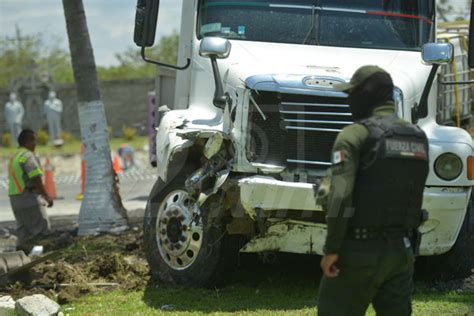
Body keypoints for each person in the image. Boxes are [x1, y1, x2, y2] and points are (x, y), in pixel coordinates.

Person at [317, 65, 429, 315]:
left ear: (364, 95)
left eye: (351, 94)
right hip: (402, 252)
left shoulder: (354, 135)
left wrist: (332, 249)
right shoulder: (418, 137)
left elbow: (341, 196)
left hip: (358, 252)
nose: (349, 101)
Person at [8, 129, 53, 253]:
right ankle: (40, 262)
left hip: (16, 200)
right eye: (34, 141)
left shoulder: (15, 156)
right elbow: (35, 177)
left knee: (23, 235)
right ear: (27, 141)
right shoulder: (27, 155)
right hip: (29, 199)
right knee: (41, 233)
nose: (35, 144)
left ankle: (20, 263)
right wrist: (46, 196)